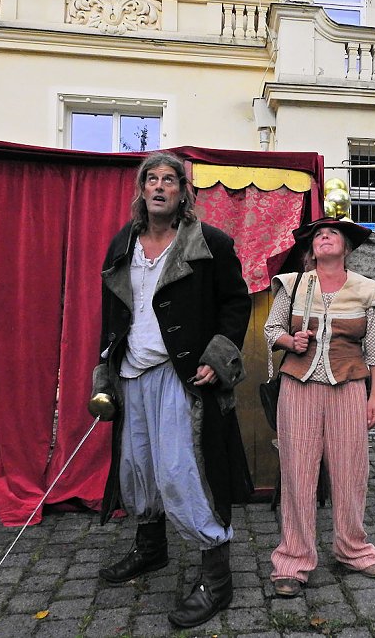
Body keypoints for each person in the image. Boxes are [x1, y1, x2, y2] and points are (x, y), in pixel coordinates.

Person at [90, 151, 253, 628]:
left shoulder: (208, 243)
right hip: (132, 374)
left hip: (180, 375)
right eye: (151, 179)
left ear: (183, 192)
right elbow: (114, 312)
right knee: (137, 467)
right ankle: (151, 548)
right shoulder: (124, 243)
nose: (160, 186)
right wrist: (106, 368)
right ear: (142, 190)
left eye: (170, 180)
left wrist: (217, 358)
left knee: (184, 472)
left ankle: (217, 579)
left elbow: (235, 303)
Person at [265, 217, 375, 598]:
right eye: (319, 234)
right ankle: (292, 560)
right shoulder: (292, 286)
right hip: (298, 388)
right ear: (312, 248)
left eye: (333, 233)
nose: (324, 237)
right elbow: (271, 330)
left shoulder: (367, 291)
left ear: (347, 247)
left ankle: (352, 549)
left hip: (349, 388)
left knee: (350, 471)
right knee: (298, 472)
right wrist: (291, 342)